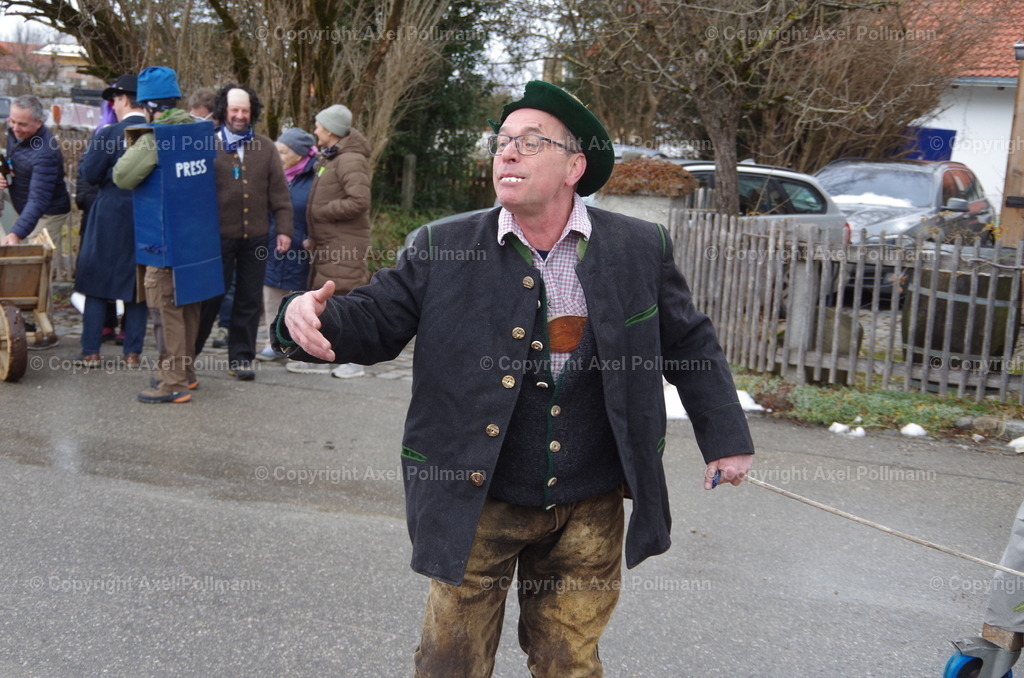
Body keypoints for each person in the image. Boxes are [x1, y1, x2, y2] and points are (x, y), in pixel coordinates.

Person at [273, 81, 755, 676]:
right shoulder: (443, 245)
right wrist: (303, 315)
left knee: (568, 663)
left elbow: (688, 343)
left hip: (590, 501)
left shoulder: (638, 246)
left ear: (575, 166)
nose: (507, 152)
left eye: (530, 142)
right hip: (476, 497)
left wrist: (726, 438)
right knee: (450, 663)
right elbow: (374, 319)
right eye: (502, 141)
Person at [113, 66, 222, 404]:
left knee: (166, 311)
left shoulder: (153, 138)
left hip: (163, 242)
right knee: (189, 307)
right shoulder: (201, 131)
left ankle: (172, 383)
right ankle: (185, 373)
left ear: (148, 105)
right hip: (197, 242)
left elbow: (122, 176)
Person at [194, 84, 292, 381]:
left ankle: (241, 359)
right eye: (235, 110)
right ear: (224, 111)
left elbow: (280, 195)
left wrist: (284, 230)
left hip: (256, 238)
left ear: (252, 112)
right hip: (217, 238)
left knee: (249, 300)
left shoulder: (265, 148)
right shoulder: (206, 144)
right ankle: (187, 357)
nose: (240, 116)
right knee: (209, 299)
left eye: (245, 111)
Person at [284, 104, 370, 378]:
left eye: (319, 126)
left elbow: (359, 201)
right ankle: (322, 357)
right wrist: (315, 235)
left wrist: (322, 212)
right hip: (328, 242)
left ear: (331, 130)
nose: (316, 130)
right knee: (326, 301)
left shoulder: (350, 159)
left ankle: (355, 362)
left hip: (344, 245)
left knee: (346, 299)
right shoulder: (332, 157)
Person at [72, 74, 149, 369]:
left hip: (109, 213)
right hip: (144, 214)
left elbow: (89, 174)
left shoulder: (108, 134)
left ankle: (91, 351)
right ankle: (132, 353)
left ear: (123, 99)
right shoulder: (155, 134)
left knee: (96, 282)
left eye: (114, 100)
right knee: (137, 286)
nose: (112, 106)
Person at [0, 94, 72, 349]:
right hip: (24, 204)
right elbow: (15, 160)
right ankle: (22, 321)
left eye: (22, 124)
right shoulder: (15, 132)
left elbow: (38, 200)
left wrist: (17, 233)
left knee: (38, 270)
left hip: (48, 213)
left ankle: (44, 331)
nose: (15, 128)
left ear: (38, 123)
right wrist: (7, 175)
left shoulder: (45, 153)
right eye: (12, 121)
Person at [256, 127, 316, 362]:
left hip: (301, 248)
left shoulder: (315, 178)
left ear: (299, 155)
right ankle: (273, 344)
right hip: (273, 245)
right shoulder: (272, 174)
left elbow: (318, 212)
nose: (278, 156)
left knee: (299, 298)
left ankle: (299, 345)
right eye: (276, 151)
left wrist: (313, 238)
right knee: (271, 294)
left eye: (283, 152)